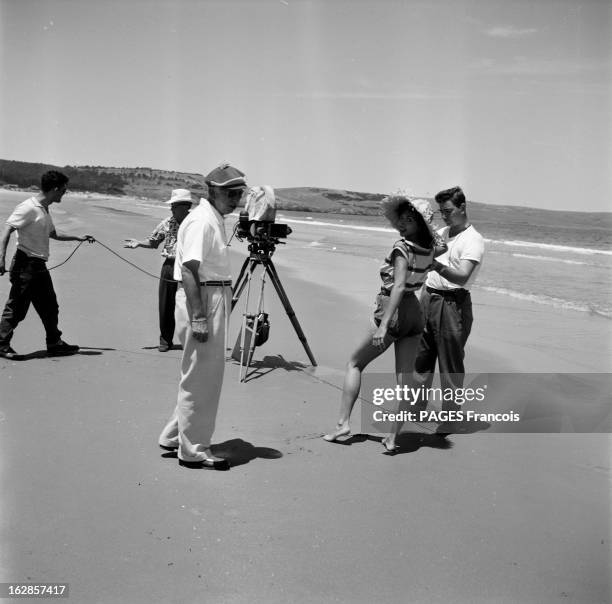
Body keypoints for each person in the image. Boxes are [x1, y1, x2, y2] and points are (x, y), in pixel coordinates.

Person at [323, 196, 442, 450]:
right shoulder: (428, 249)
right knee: (404, 381)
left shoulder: (403, 248)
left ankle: (342, 424)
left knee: (354, 364)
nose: (401, 224)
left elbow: (398, 286)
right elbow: (437, 251)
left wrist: (384, 325)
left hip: (394, 308)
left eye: (409, 220)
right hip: (415, 313)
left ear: (419, 223)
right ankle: (392, 437)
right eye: (401, 219)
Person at [158, 163, 246, 469]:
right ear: (215, 191)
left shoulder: (211, 218)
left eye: (240, 193)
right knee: (203, 379)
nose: (237, 199)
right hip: (205, 298)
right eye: (232, 193)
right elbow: (188, 270)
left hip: (212, 294)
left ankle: (174, 436)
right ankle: (193, 449)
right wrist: (198, 316)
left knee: (198, 374)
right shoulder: (202, 222)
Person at [0, 170, 95, 359]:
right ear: (55, 189)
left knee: (50, 307)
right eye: (64, 191)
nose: (64, 194)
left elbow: (53, 234)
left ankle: (55, 343)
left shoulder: (44, 209)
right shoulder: (28, 207)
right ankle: (1, 344)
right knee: (17, 307)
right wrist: (0, 258)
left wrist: (78, 237)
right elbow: (7, 229)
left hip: (38, 266)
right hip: (25, 264)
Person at [413, 186, 485, 432]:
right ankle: (415, 409)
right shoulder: (442, 232)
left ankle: (450, 418)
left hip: (453, 303)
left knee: (450, 364)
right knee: (421, 358)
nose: (444, 215)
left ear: (462, 207)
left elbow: (463, 277)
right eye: (441, 211)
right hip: (428, 297)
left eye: (448, 211)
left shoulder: (473, 239)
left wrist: (436, 266)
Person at [124, 189, 193, 352]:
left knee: (189, 304)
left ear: (186, 206)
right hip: (169, 266)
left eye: (174, 206)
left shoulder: (196, 224)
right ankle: (165, 340)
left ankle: (191, 340)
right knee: (166, 304)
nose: (171, 209)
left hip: (190, 267)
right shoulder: (167, 222)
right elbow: (154, 242)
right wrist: (139, 243)